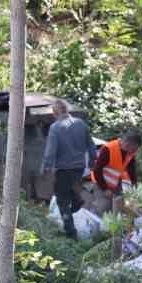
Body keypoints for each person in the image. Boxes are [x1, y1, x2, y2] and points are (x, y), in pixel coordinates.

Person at [40, 99, 94, 239]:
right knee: (72, 191)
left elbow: (50, 151)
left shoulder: (55, 127)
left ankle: (71, 234)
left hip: (64, 169)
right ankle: (77, 201)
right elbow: (91, 145)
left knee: (62, 200)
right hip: (79, 168)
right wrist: (92, 161)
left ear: (54, 113)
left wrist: (46, 168)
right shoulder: (81, 124)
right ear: (67, 110)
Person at [91, 130, 142, 213]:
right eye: (134, 148)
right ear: (127, 144)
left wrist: (134, 185)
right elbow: (97, 170)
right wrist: (105, 189)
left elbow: (131, 169)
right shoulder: (108, 148)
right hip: (100, 182)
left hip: (115, 183)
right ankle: (93, 213)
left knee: (118, 206)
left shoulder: (130, 152)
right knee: (104, 207)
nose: (135, 151)